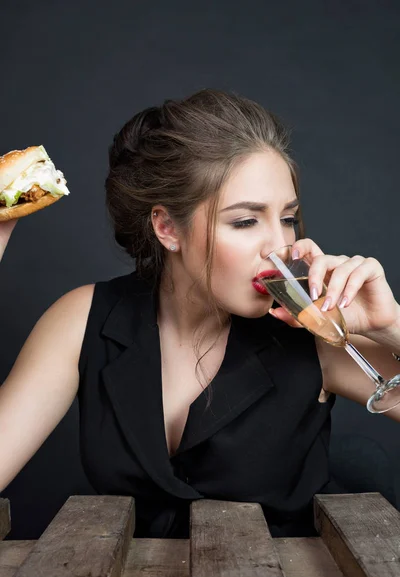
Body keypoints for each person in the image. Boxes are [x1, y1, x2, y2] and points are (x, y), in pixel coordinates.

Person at [0, 89, 399, 539]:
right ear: (167, 227)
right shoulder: (83, 320)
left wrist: (391, 326)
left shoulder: (311, 329)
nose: (278, 247)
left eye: (287, 218)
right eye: (245, 221)